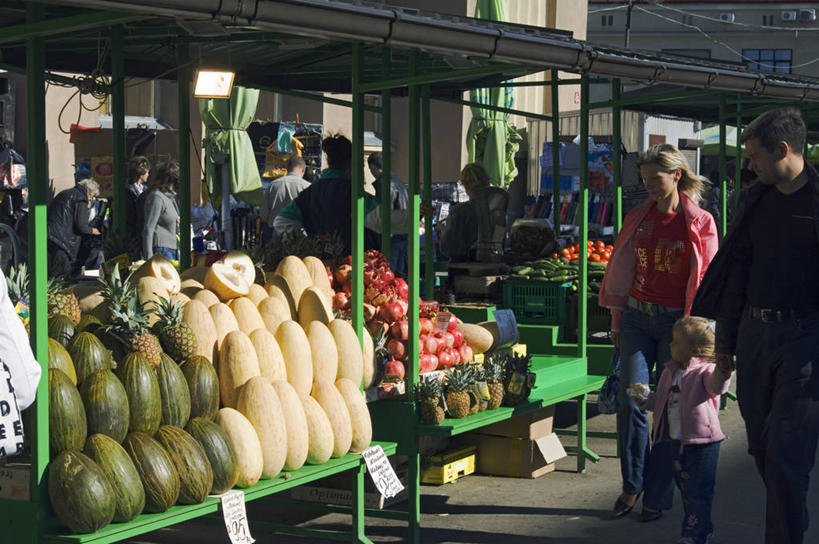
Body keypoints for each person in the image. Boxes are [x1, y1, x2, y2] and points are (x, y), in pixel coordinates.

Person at [691, 107, 819, 544]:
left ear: (784, 150)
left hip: (806, 340)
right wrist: (725, 342)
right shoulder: (755, 200)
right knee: (762, 447)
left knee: (788, 452)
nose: (750, 165)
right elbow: (736, 273)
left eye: (756, 156)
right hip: (754, 336)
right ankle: (792, 517)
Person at [598, 143, 718, 519]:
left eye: (655, 179)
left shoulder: (700, 222)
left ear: (676, 175)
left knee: (669, 409)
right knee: (631, 400)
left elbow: (707, 280)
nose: (648, 185)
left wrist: (697, 337)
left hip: (674, 327)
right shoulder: (638, 217)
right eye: (644, 179)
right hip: (635, 317)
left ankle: (658, 495)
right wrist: (617, 320)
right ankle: (632, 485)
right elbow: (622, 268)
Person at [630, 317, 731, 544]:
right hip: (676, 441)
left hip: (703, 443)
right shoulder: (670, 372)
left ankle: (693, 535)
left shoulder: (706, 371)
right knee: (687, 491)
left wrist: (725, 371)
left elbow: (718, 385)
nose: (670, 345)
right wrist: (644, 399)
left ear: (694, 350)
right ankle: (702, 526)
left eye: (676, 342)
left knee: (699, 491)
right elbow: (662, 403)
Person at [274, 134, 419, 254]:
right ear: (351, 164)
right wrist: (417, 215)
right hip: (353, 271)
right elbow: (384, 221)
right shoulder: (354, 195)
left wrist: (304, 245)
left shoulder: (309, 194)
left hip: (319, 267)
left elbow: (281, 221)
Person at [438, 162, 509, 261]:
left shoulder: (459, 211)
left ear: (465, 186)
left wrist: (443, 231)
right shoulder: (496, 210)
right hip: (495, 263)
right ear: (487, 181)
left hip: (464, 268)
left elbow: (449, 249)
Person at [47, 178, 102, 276]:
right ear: (88, 191)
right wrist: (94, 231)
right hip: (62, 240)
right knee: (63, 274)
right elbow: (82, 226)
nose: (90, 199)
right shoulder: (81, 198)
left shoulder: (66, 193)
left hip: (51, 235)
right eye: (92, 196)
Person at [368, 151, 409, 274]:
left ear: (374, 167)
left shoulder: (384, 183)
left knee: (389, 274)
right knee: (399, 275)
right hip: (403, 233)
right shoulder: (397, 180)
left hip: (392, 236)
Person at [260, 156, 310, 240]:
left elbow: (263, 216)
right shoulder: (308, 187)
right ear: (303, 169)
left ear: (286, 168)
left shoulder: (273, 185)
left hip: (275, 237)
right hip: (299, 239)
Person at [142, 160, 180, 261]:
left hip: (171, 249)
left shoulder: (170, 199)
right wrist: (149, 257)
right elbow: (148, 228)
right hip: (161, 249)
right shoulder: (157, 197)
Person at [125, 156, 150, 238]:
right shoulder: (128, 191)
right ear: (141, 173)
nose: (148, 174)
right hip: (133, 233)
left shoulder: (145, 189)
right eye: (147, 172)